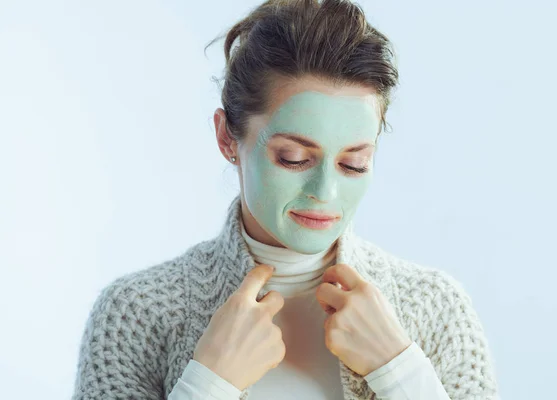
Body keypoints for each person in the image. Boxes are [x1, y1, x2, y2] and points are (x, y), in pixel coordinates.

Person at [71, 0, 500, 399]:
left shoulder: (435, 307)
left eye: (354, 163)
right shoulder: (136, 314)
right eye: (293, 158)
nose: (326, 193)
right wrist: (207, 383)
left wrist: (401, 371)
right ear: (227, 137)